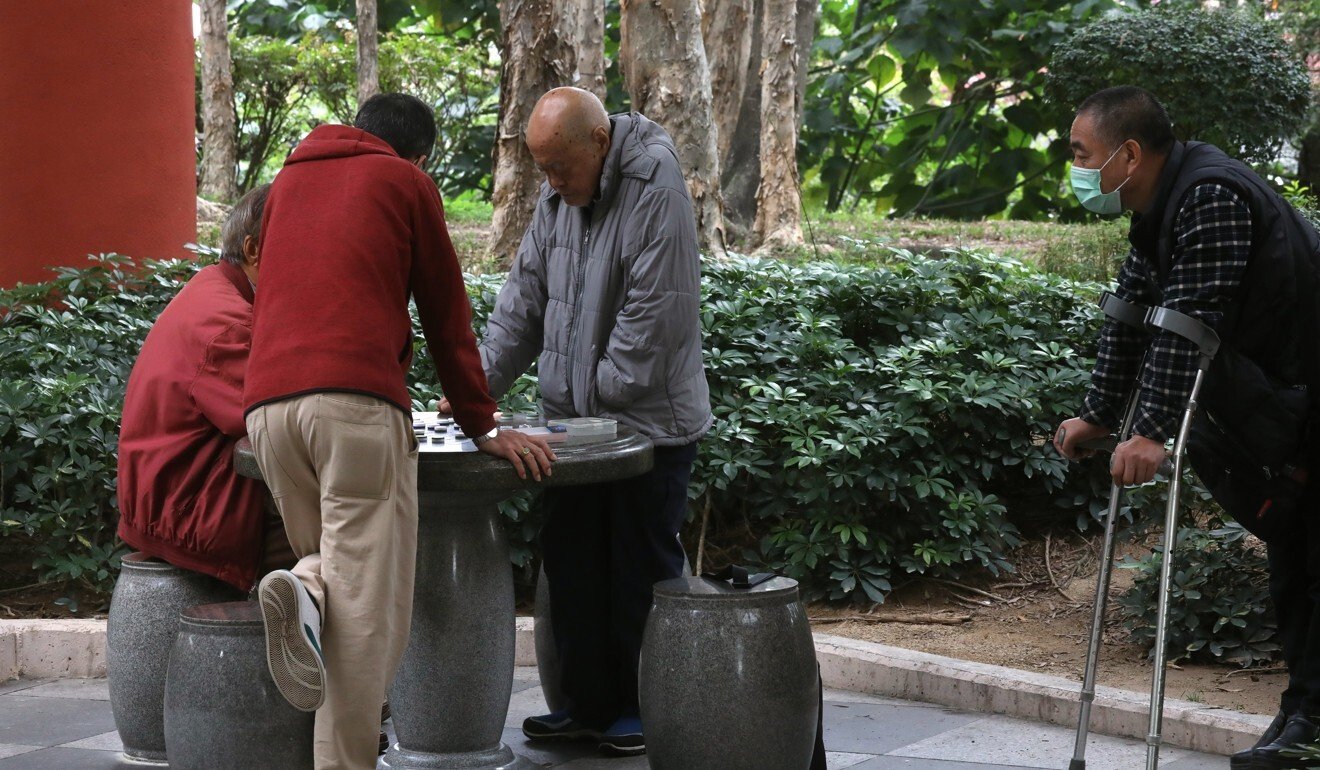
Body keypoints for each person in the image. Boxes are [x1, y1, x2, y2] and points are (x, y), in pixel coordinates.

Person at [243, 92, 556, 770]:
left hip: (267, 415)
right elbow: (448, 315)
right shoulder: (405, 182)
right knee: (365, 626)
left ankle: (302, 587)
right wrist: (482, 422)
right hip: (352, 411)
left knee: (331, 583)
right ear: (417, 155)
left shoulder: (287, 182)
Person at [1053, 86, 1320, 770]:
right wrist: (1100, 415)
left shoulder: (1211, 196)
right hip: (1289, 400)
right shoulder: (1161, 207)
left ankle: (1309, 724)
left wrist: (1151, 432)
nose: (1075, 167)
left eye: (1081, 153)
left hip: (1306, 392)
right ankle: (1303, 719)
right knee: (1298, 561)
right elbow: (1131, 312)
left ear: (1128, 153)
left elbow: (1189, 323)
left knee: (1312, 559)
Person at [442, 86, 712, 757]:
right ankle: (587, 705)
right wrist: (476, 386)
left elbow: (655, 315)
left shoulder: (657, 185)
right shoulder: (562, 189)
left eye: (559, 167)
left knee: (637, 570)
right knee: (571, 564)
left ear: (598, 143)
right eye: (541, 169)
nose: (551, 182)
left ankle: (643, 706)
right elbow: (525, 296)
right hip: (579, 429)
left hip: (647, 426)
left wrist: (595, 403)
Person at [117, 184, 295, 591]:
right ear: (254, 251)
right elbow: (275, 419)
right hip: (189, 514)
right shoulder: (231, 324)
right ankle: (299, 638)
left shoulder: (212, 287)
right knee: (348, 533)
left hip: (171, 502)